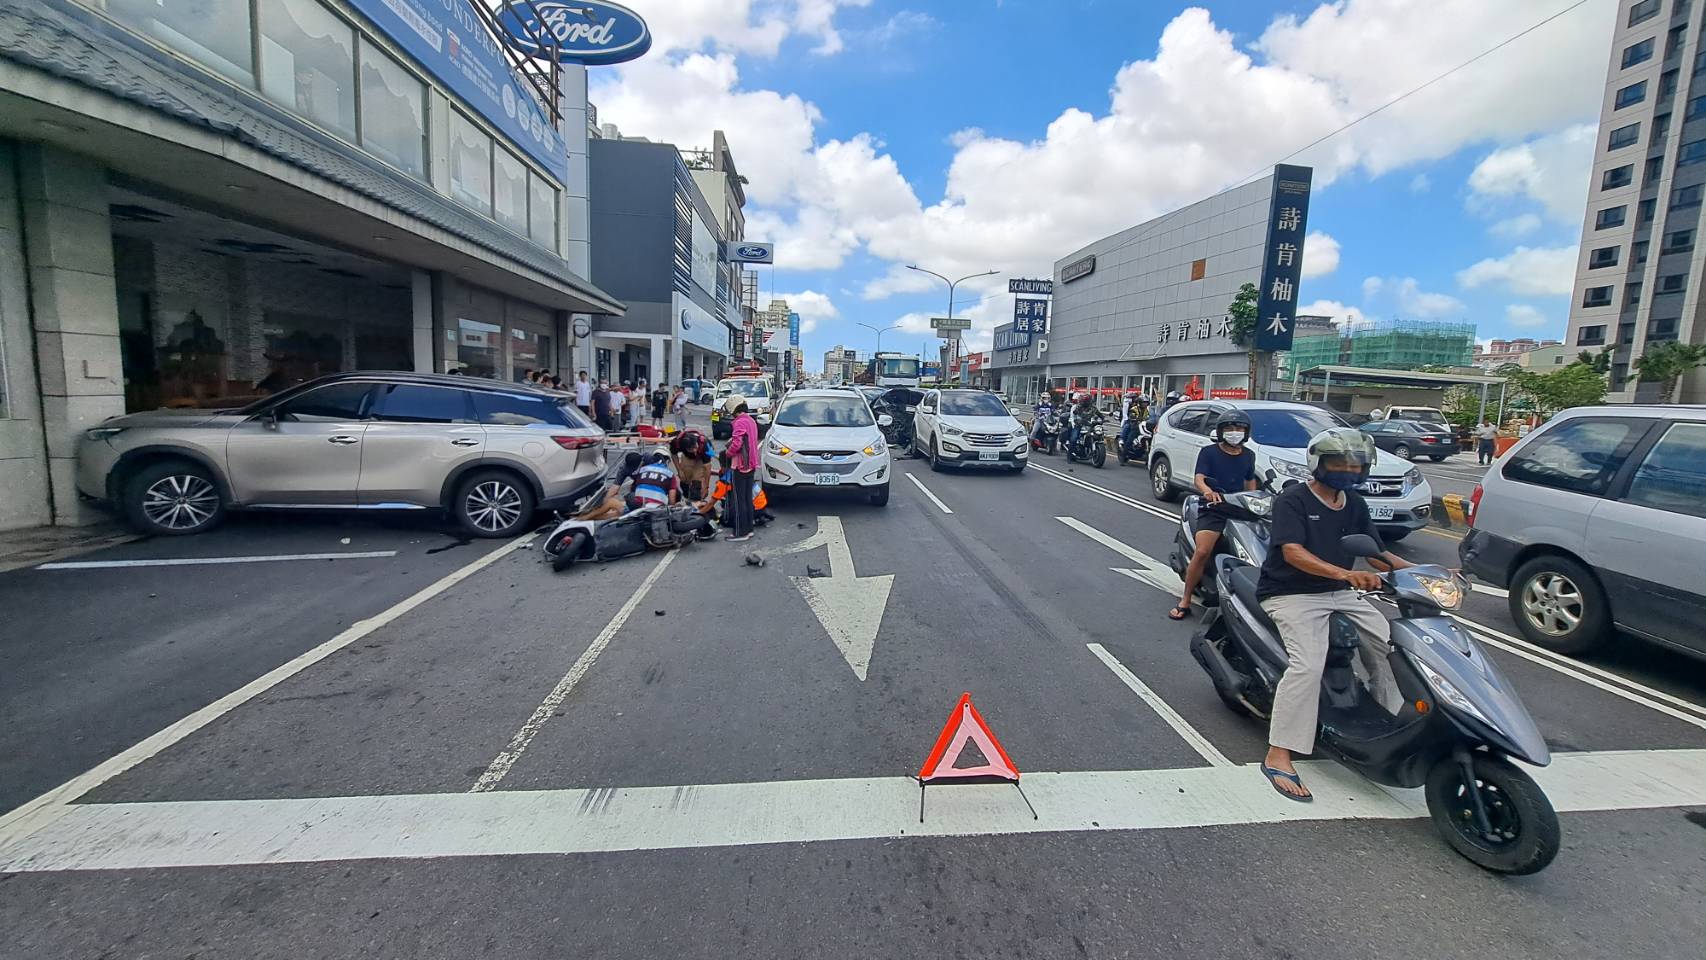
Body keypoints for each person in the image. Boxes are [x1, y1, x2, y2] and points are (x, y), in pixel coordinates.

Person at [1256, 428, 1412, 802]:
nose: (1347, 469)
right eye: (1338, 462)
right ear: (1318, 463)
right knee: (1308, 665)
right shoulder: (1293, 500)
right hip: (1290, 594)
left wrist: (1420, 573)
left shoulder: (1354, 503)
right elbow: (1292, 552)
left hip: (1340, 592)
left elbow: (1376, 553)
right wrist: (1345, 573)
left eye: (1354, 464)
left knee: (1390, 646)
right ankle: (1279, 751)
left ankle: (1385, 723)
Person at [1170, 411, 1259, 620]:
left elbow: (1250, 482)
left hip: (1240, 507)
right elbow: (1199, 478)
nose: (1234, 433)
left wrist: (1256, 498)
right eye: (1229, 428)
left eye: (1239, 429)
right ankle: (1185, 599)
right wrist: (1207, 491)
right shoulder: (1209, 452)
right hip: (1214, 507)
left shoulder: (1248, 455)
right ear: (1220, 431)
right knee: (1202, 551)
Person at [724, 399, 760, 542]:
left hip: (740, 465)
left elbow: (737, 443)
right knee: (747, 498)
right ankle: (749, 529)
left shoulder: (739, 422)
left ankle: (740, 532)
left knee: (739, 501)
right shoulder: (751, 420)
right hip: (751, 464)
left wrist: (728, 453)